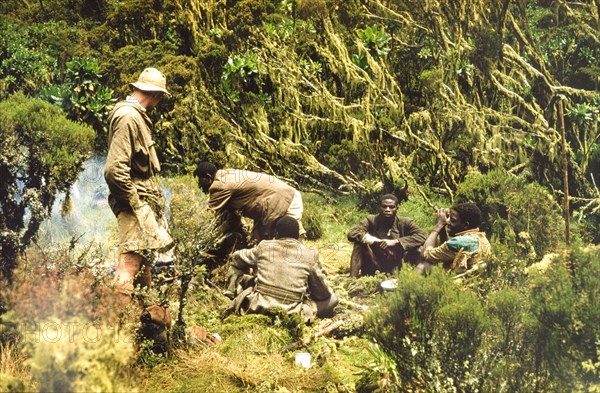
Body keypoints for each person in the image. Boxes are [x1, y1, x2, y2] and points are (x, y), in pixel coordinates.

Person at [104, 67, 175, 341]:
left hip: (144, 203)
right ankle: (116, 340)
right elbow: (113, 170)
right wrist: (136, 204)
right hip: (137, 204)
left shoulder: (134, 116)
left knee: (143, 266)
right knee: (128, 267)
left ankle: (151, 329)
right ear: (156, 95)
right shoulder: (128, 117)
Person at [226, 216, 338, 324]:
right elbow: (323, 293)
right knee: (333, 299)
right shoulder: (310, 254)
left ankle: (229, 293)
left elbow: (236, 257)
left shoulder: (264, 246)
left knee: (238, 269)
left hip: (258, 306)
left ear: (276, 234)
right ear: (298, 236)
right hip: (291, 314)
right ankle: (310, 313)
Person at [194, 162, 305, 244]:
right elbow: (231, 216)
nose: (199, 185)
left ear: (208, 177)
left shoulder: (220, 186)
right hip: (281, 199)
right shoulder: (227, 175)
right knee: (257, 243)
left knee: (289, 244)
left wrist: (191, 234)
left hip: (286, 201)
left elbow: (208, 215)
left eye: (200, 180)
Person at [347, 194, 426, 277]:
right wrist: (375, 241)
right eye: (384, 207)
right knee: (359, 245)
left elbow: (423, 236)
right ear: (379, 207)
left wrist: (396, 242)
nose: (387, 210)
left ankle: (412, 280)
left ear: (397, 209)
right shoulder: (371, 220)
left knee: (419, 249)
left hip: (399, 265)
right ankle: (352, 281)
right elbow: (352, 233)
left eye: (391, 207)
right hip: (374, 264)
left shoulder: (405, 222)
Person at [415, 202, 491, 275]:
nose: (447, 222)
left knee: (422, 266)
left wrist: (438, 226)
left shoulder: (458, 242)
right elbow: (447, 252)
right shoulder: (480, 238)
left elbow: (425, 255)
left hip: (460, 282)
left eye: (453, 220)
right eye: (449, 218)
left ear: (465, 225)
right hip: (472, 279)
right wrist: (442, 229)